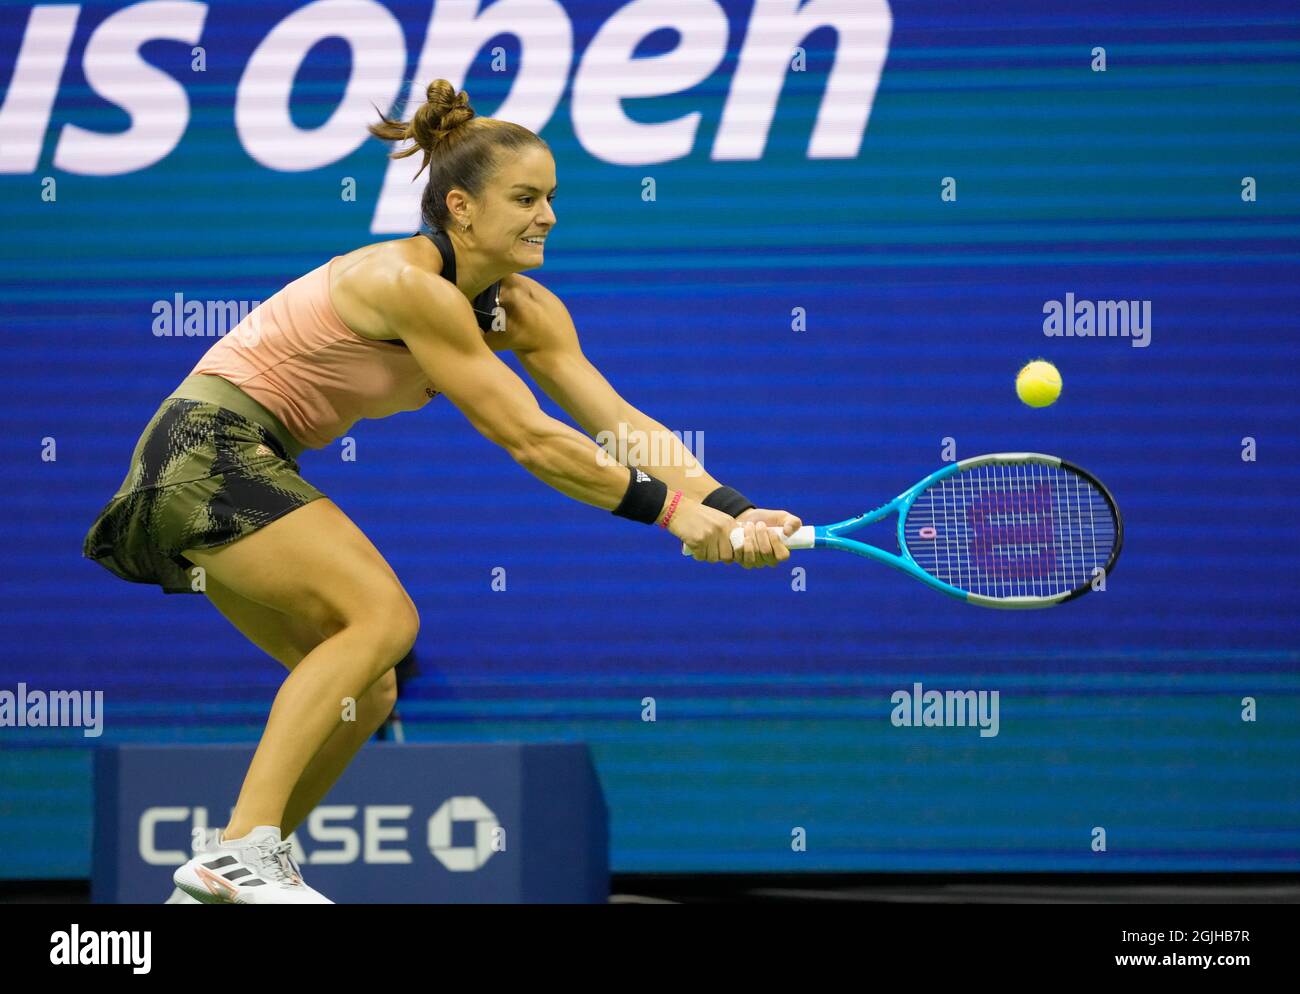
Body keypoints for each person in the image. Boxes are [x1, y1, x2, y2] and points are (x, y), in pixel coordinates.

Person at [83, 79, 801, 904]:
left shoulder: (525, 310)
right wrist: (676, 515)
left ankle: (229, 877)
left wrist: (737, 509)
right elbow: (528, 438)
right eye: (526, 198)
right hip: (205, 450)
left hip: (242, 460)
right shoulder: (406, 284)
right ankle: (238, 852)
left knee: (371, 681)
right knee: (383, 619)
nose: (549, 217)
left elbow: (618, 421)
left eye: (553, 198)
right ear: (460, 206)